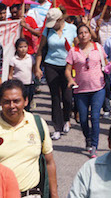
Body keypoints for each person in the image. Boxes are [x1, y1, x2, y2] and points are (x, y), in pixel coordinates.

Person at [0, 80, 58, 197]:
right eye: (6, 102)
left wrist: (54, 195)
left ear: (26, 101)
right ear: (0, 103)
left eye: (16, 101)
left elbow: (49, 162)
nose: (12, 106)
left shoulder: (37, 123)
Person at [65, 24, 107, 158]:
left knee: (95, 117)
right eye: (80, 33)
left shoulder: (98, 48)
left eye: (86, 32)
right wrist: (70, 80)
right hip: (80, 90)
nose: (83, 35)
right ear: (77, 36)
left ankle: (94, 145)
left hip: (98, 88)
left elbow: (106, 64)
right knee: (82, 119)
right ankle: (88, 138)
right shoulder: (73, 51)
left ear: (90, 34)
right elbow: (67, 69)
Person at [35, 8, 76, 140]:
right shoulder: (48, 30)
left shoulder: (71, 28)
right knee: (55, 97)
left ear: (60, 20)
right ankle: (57, 127)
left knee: (67, 97)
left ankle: (66, 118)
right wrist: (37, 67)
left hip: (67, 66)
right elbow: (40, 50)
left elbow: (78, 46)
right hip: (51, 64)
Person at [8, 38, 36, 111]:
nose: (23, 49)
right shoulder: (13, 60)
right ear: (17, 48)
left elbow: (33, 70)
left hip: (29, 84)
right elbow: (10, 74)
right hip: (18, 85)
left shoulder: (31, 58)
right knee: (19, 103)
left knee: (28, 102)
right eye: (20, 47)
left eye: (25, 47)